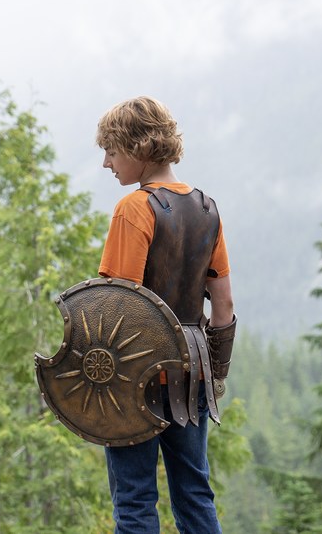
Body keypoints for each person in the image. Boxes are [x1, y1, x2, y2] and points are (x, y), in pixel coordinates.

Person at [95, 95, 237, 534]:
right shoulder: (207, 208)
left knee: (135, 500)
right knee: (195, 494)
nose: (106, 163)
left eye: (112, 151)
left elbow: (116, 307)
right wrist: (216, 374)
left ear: (139, 149)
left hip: (135, 378)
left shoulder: (134, 209)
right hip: (191, 373)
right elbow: (224, 306)